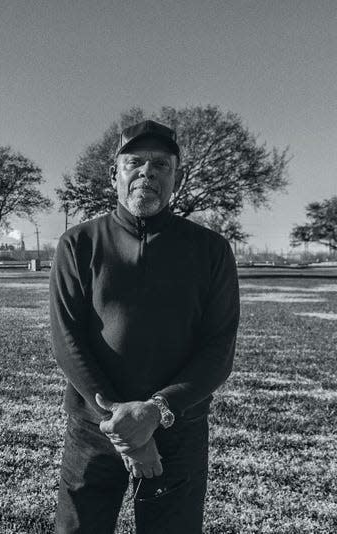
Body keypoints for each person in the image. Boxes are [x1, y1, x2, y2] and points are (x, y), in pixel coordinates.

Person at [50, 119, 240, 533]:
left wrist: (156, 412)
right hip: (95, 432)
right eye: (134, 161)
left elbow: (218, 349)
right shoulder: (79, 244)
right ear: (114, 173)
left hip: (178, 430)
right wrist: (124, 426)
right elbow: (67, 340)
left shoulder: (210, 251)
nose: (147, 173)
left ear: (177, 176)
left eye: (161, 164)